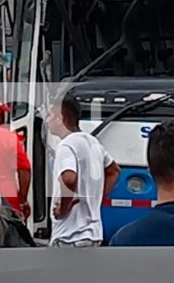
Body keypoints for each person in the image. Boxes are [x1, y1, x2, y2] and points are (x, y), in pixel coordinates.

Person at [46, 94, 120, 247]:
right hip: (93, 234)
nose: (47, 120)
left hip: (69, 236)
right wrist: (94, 198)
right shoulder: (92, 142)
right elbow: (114, 171)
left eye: (50, 115)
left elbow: (69, 178)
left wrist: (64, 208)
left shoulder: (66, 146)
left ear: (61, 118)